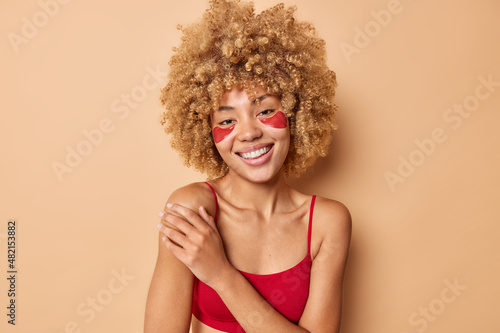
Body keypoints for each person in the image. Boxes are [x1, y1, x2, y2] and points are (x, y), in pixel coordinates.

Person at [144, 0, 351, 332]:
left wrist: (220, 274)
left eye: (266, 110)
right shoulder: (193, 209)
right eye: (227, 119)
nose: (250, 132)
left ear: (296, 115)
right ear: (206, 133)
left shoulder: (328, 222)